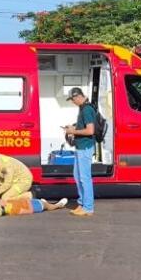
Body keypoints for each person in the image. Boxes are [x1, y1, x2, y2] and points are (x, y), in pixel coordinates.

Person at [63, 87, 96, 216]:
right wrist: (73, 128)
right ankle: (82, 203)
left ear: (78, 97)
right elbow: (84, 127)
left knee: (84, 178)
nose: (72, 102)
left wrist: (73, 131)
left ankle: (88, 208)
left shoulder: (87, 110)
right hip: (80, 147)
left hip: (85, 148)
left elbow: (90, 131)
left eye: (72, 99)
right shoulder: (82, 108)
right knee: (78, 176)